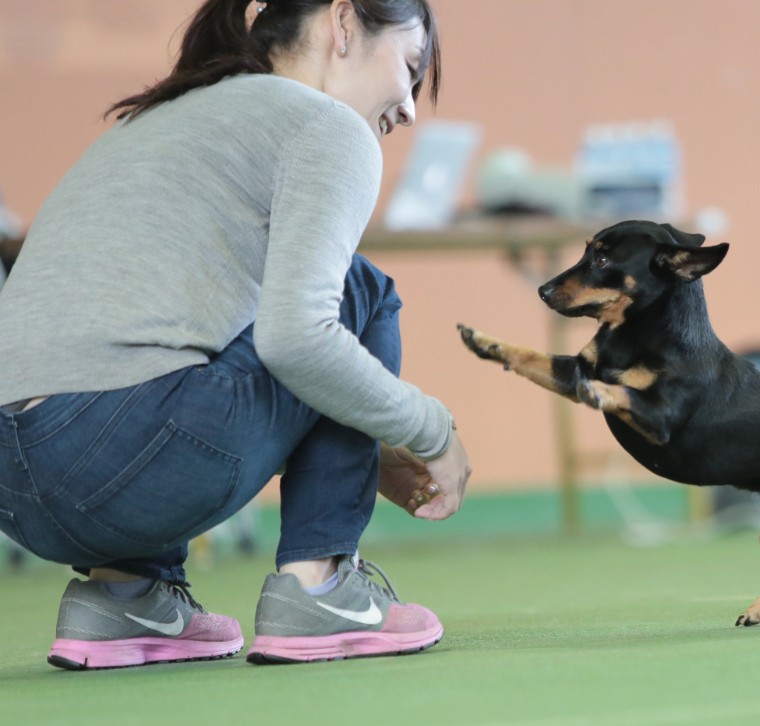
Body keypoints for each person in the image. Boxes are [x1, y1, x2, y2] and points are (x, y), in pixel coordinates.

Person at [0, 0, 472, 670]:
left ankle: (124, 595)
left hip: (11, 486)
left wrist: (359, 439)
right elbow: (298, 341)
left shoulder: (156, 119)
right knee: (359, 291)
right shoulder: (328, 128)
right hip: (121, 452)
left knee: (202, 332)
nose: (411, 109)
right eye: (411, 66)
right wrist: (433, 432)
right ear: (343, 24)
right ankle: (321, 585)